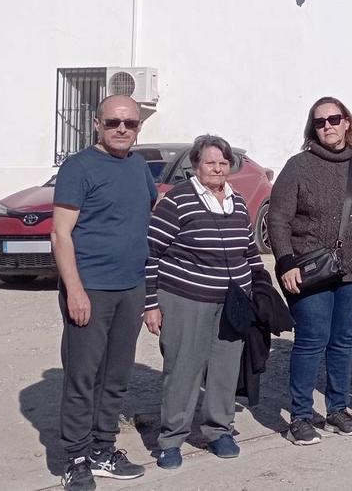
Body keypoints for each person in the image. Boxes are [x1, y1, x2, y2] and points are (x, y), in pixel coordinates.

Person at [143, 135, 270, 469]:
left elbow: (249, 249)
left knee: (225, 369)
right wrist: (150, 304)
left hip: (232, 301)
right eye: (211, 162)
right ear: (196, 165)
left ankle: (219, 430)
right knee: (183, 369)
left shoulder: (237, 201)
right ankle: (171, 440)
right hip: (186, 299)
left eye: (223, 162)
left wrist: (260, 286)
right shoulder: (178, 201)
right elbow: (151, 252)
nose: (218, 168)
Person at [51, 95, 157, 490]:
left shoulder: (139, 167)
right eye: (113, 122)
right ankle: (75, 458)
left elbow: (147, 216)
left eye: (130, 124)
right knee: (83, 377)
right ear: (97, 123)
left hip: (130, 287)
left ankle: (102, 449)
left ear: (139, 128)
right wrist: (75, 291)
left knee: (116, 376)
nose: (122, 129)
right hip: (90, 288)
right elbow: (60, 234)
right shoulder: (78, 167)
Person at [268, 96, 352, 446]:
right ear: (313, 128)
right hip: (308, 269)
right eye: (320, 122)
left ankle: (338, 409)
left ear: (347, 122)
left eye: (334, 119)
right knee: (310, 341)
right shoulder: (298, 166)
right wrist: (285, 261)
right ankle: (301, 416)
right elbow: (278, 218)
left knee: (343, 342)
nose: (328, 127)